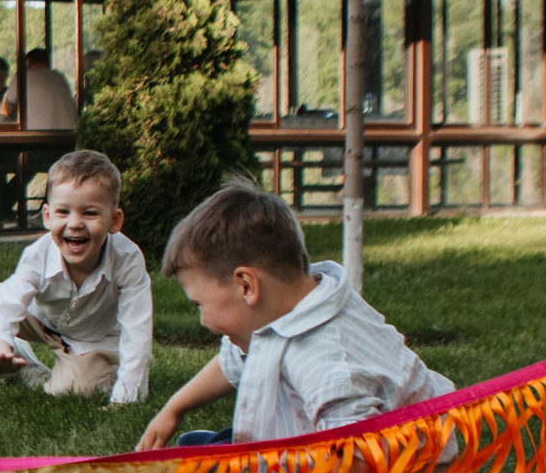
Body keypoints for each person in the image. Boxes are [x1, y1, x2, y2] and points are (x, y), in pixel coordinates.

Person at [140, 178, 452, 449]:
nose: (203, 321)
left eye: (199, 305)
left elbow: (356, 461)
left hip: (379, 465)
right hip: (322, 435)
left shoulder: (326, 360)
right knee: (209, 448)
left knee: (224, 462)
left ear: (246, 285)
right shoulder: (288, 309)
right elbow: (232, 361)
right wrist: (174, 408)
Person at [0, 149, 153, 403]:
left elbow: (138, 331)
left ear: (114, 220)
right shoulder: (39, 254)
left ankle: (51, 375)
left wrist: (128, 395)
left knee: (77, 391)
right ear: (47, 216)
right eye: (63, 212)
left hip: (91, 338)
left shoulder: (127, 259)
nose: (75, 223)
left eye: (89, 213)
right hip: (40, 320)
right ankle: (13, 362)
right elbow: (12, 298)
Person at [6, 47, 77, 131]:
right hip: (70, 137)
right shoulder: (59, 76)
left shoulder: (22, 77)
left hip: (36, 138)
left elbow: (6, 109)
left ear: (28, 62)